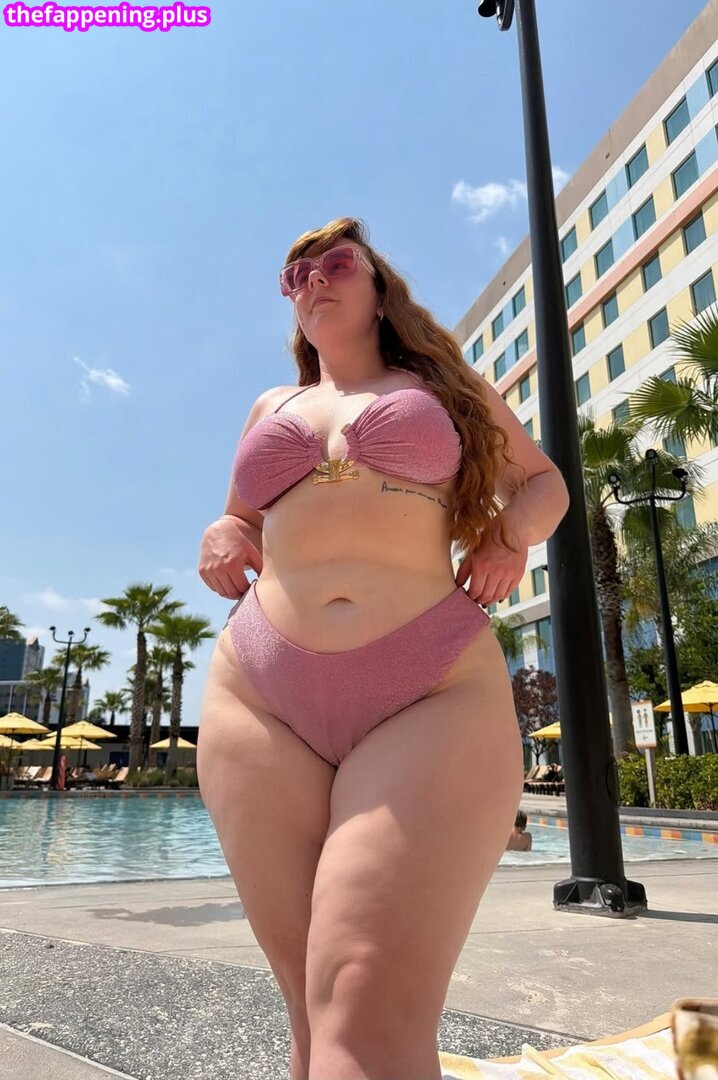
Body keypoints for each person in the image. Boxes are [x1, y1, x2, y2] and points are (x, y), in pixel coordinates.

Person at [196, 217, 569, 1080]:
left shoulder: (442, 387)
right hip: (258, 693)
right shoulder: (270, 407)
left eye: (335, 264)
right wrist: (222, 532)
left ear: (377, 288)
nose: (314, 281)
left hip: (427, 687)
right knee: (309, 1008)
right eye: (296, 274)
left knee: (362, 999)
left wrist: (509, 535)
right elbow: (240, 518)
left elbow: (543, 481)